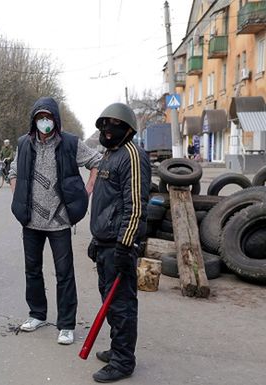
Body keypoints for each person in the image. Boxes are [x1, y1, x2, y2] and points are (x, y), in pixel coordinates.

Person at [8, 96, 101, 345]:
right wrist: (17, 193)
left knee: (64, 273)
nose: (44, 122)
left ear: (55, 119)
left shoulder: (69, 143)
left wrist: (88, 188)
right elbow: (14, 171)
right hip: (31, 222)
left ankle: (67, 325)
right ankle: (36, 314)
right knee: (32, 270)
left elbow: (97, 162)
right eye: (39, 118)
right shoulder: (24, 144)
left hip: (59, 222)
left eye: (48, 117)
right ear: (33, 121)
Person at [88, 103, 151, 382]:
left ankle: (124, 361)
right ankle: (117, 350)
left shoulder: (132, 155)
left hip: (119, 245)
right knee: (109, 301)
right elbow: (105, 203)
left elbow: (135, 205)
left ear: (127, 128)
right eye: (104, 124)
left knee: (122, 305)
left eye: (114, 124)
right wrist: (96, 239)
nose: (107, 129)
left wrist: (125, 246)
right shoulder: (108, 155)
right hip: (105, 243)